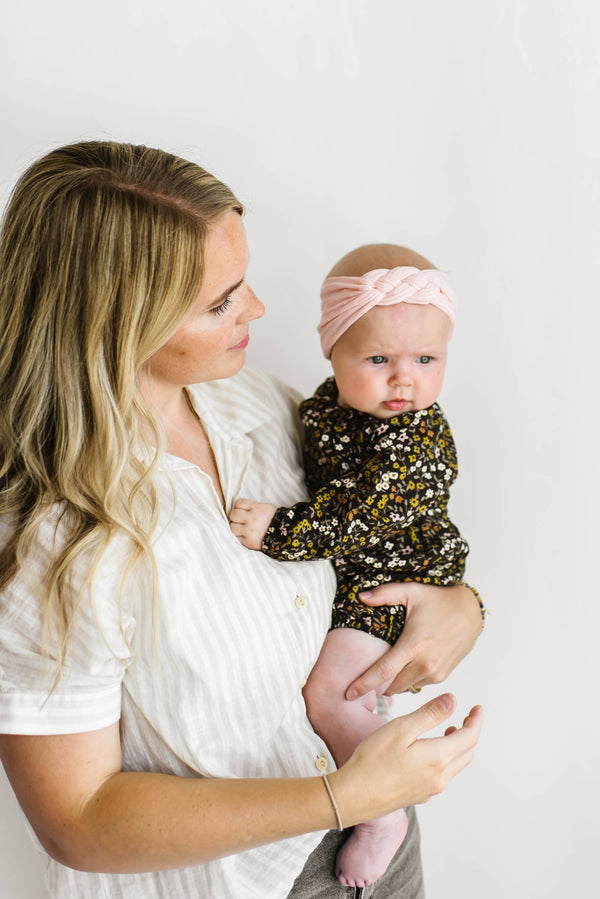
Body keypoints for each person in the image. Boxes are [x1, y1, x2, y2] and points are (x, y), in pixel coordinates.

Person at [0, 141, 483, 899]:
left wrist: (460, 607)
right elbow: (79, 818)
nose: (257, 308)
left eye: (244, 281)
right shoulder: (50, 539)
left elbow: (384, 520)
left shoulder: (263, 405)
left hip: (380, 843)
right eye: (221, 301)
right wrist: (345, 797)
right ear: (122, 321)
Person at [230, 244, 483, 888]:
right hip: (362, 578)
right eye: (378, 359)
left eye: (426, 360)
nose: (405, 380)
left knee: (331, 694)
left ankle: (381, 812)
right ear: (332, 351)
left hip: (392, 582)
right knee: (354, 696)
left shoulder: (414, 435)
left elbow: (363, 512)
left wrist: (279, 530)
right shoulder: (323, 407)